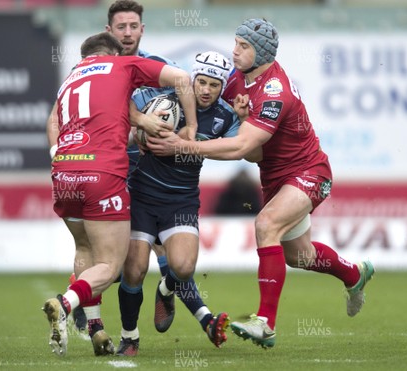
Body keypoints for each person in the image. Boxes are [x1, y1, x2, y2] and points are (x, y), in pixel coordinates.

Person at [147, 18, 375, 349]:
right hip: (275, 178)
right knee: (300, 256)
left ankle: (265, 323)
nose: (235, 51)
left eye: (243, 46)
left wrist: (183, 145)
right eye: (236, 43)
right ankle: (354, 275)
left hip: (309, 171)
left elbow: (241, 147)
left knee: (265, 225)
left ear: (262, 53)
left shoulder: (274, 91)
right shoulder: (235, 78)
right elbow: (253, 155)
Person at [42, 31, 198, 357]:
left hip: (64, 173)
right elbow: (182, 78)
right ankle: (65, 303)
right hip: (102, 174)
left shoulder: (70, 79)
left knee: (84, 247)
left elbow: (54, 121)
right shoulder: (123, 65)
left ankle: (97, 330)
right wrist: (191, 130)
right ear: (113, 53)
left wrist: (59, 151)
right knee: (111, 265)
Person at [116, 51, 238, 356]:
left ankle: (166, 290)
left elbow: (243, 150)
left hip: (181, 200)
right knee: (134, 270)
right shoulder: (162, 100)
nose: (207, 90)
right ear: (192, 79)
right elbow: (122, 114)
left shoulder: (226, 116)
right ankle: (129, 336)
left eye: (214, 85)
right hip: (142, 196)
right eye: (202, 82)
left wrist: (188, 145)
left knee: (183, 267)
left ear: (222, 87)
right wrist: (140, 132)